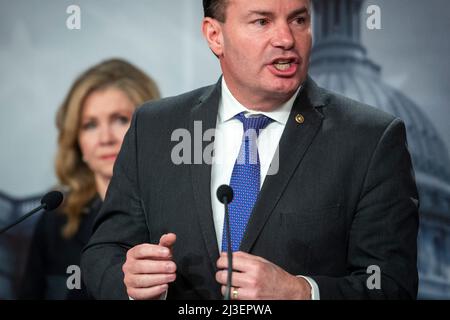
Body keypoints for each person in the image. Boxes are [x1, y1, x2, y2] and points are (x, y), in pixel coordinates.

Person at [82, 0, 419, 300]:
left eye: (299, 20)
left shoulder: (371, 138)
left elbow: (392, 284)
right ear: (215, 35)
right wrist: (127, 280)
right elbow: (103, 253)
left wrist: (303, 293)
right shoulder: (154, 127)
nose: (286, 39)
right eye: (262, 21)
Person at [19, 58, 160, 299]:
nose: (105, 138)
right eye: (90, 125)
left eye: (120, 120)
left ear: (151, 127)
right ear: (77, 141)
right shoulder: (56, 221)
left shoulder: (177, 214)